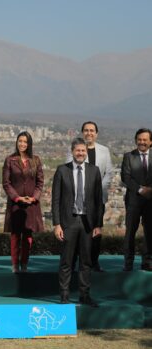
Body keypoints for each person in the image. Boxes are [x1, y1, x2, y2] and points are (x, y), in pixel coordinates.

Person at [52, 138, 103, 307]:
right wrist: (57, 224)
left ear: (86, 152)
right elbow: (56, 200)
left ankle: (84, 296)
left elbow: (98, 200)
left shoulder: (94, 171)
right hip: (69, 222)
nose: (80, 153)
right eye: (77, 150)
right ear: (72, 151)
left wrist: (98, 224)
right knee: (66, 261)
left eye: (83, 150)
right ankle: (64, 296)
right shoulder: (61, 170)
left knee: (86, 262)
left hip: (88, 223)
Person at [67, 121, 113, 272]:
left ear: (96, 133)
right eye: (86, 130)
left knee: (96, 231)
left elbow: (109, 173)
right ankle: (75, 262)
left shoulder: (104, 151)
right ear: (82, 132)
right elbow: (68, 172)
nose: (89, 133)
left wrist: (97, 189)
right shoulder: (75, 150)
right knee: (77, 232)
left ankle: (94, 262)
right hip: (78, 200)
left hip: (98, 199)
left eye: (92, 130)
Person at [3, 131, 44, 273]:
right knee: (15, 236)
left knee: (28, 236)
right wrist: (17, 197)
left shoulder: (36, 160)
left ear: (29, 144)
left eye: (25, 142)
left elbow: (40, 183)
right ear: (16, 142)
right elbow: (6, 183)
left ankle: (24, 263)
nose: (22, 144)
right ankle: (15, 264)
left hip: (31, 204)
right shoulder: (10, 160)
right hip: (15, 203)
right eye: (20, 141)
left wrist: (34, 197)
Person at [121, 128, 152, 271]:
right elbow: (125, 177)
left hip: (151, 201)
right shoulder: (128, 156)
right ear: (135, 141)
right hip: (133, 200)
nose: (142, 142)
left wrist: (150, 191)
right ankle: (128, 263)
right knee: (130, 233)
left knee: (150, 232)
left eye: (145, 140)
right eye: (139, 139)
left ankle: (147, 262)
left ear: (150, 142)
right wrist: (141, 190)